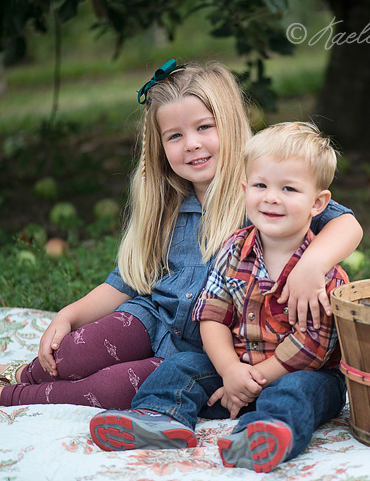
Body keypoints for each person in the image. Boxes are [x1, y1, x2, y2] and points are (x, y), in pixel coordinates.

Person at [0, 60, 362, 409]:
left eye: (204, 127)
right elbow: (127, 282)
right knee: (77, 352)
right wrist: (70, 314)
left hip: (206, 349)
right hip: (152, 317)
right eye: (175, 135)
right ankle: (21, 372)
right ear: (160, 147)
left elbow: (347, 224)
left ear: (229, 124)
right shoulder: (166, 202)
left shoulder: (267, 193)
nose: (191, 144)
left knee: (110, 389)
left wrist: (311, 265)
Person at [89, 122, 350, 474]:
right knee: (182, 365)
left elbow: (311, 347)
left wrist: (248, 382)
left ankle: (263, 435)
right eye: (260, 185)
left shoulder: (322, 275)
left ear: (318, 203)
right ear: (245, 189)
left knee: (298, 390)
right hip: (235, 372)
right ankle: (159, 416)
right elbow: (212, 314)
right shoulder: (234, 250)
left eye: (288, 188)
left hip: (301, 374)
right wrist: (229, 370)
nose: (271, 197)